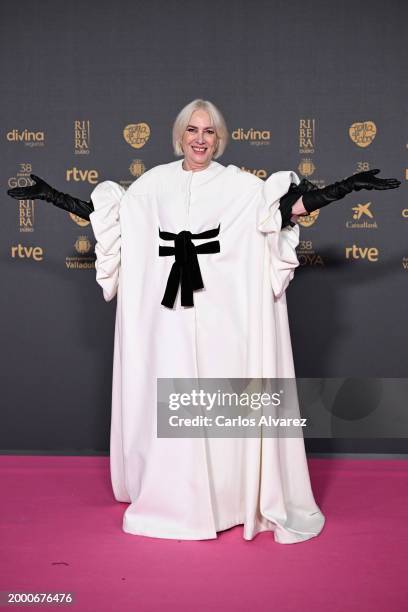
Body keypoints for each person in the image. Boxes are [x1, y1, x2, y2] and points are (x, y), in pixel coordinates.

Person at [7, 99, 400, 544]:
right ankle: (175, 493)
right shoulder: (152, 185)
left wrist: (343, 188)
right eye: (192, 130)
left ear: (219, 139)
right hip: (168, 321)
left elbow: (283, 210)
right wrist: (51, 196)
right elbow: (113, 219)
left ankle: (229, 497)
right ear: (180, 136)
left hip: (221, 317)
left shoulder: (239, 187)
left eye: (209, 132)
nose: (199, 139)